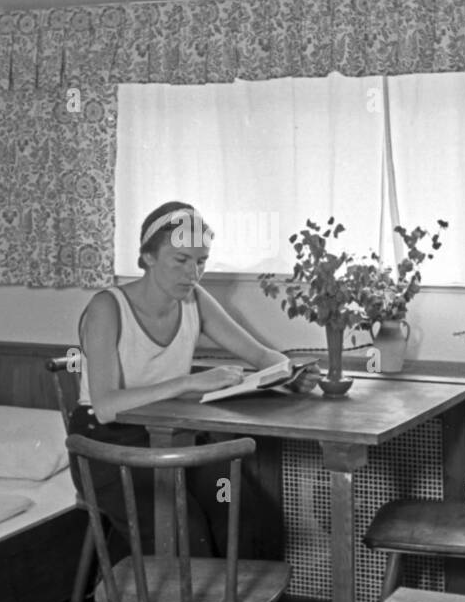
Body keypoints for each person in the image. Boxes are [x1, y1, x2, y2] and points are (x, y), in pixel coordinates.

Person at [70, 200, 316, 558]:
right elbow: (107, 406)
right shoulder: (107, 308)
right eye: (181, 260)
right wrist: (186, 383)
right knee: (186, 532)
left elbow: (261, 356)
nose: (193, 273)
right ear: (148, 257)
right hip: (107, 446)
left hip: (171, 437)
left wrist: (289, 372)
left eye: (201, 261)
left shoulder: (195, 300)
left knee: (245, 511)